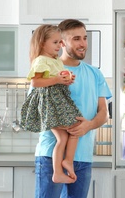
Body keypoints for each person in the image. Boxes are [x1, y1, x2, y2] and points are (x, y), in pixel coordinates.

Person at [27, 19, 112, 198]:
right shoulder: (49, 70)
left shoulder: (95, 74)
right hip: (50, 156)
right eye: (76, 39)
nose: (83, 43)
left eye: (84, 38)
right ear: (61, 43)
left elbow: (104, 114)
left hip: (82, 157)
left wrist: (88, 125)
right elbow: (39, 107)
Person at [20, 24, 82, 184]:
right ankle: (65, 162)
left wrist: (66, 80)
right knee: (75, 128)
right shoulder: (41, 60)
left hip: (58, 100)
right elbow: (36, 82)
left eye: (60, 42)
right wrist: (56, 80)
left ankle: (59, 170)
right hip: (51, 104)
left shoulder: (54, 61)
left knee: (64, 137)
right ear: (42, 43)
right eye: (55, 42)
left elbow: (57, 78)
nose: (59, 46)